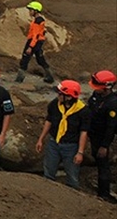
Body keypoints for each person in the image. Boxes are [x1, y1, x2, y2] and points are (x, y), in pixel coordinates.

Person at [35, 79, 91, 189]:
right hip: (53, 143)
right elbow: (49, 121)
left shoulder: (83, 111)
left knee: (72, 176)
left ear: (69, 97)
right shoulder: (54, 105)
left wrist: (80, 152)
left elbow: (83, 132)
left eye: (61, 94)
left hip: (71, 146)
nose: (58, 96)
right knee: (48, 172)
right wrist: (40, 139)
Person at [85, 70, 116, 202]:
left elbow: (111, 127)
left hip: (103, 136)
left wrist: (104, 146)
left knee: (103, 164)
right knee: (96, 158)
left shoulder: (112, 103)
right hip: (92, 132)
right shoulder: (95, 96)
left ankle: (104, 193)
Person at [17, 1, 54, 83]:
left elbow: (35, 35)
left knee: (24, 60)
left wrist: (30, 46)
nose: (29, 12)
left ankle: (19, 79)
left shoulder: (37, 21)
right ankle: (50, 77)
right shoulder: (39, 20)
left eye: (31, 10)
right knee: (40, 59)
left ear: (36, 11)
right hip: (38, 42)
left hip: (34, 42)